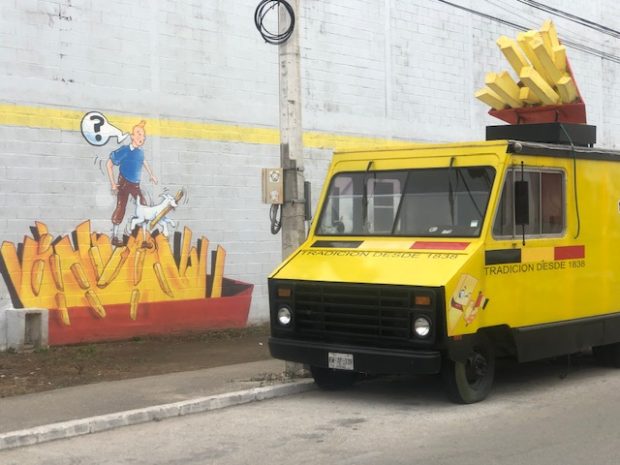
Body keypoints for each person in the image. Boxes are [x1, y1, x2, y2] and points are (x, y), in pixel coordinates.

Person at [106, 120, 158, 246]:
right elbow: (109, 164)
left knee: (144, 207)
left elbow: (143, 161)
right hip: (124, 182)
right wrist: (113, 183)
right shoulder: (124, 150)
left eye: (143, 135)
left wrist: (151, 175)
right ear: (132, 136)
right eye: (139, 134)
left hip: (135, 185)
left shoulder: (140, 152)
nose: (142, 137)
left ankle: (144, 239)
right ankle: (114, 237)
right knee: (121, 207)